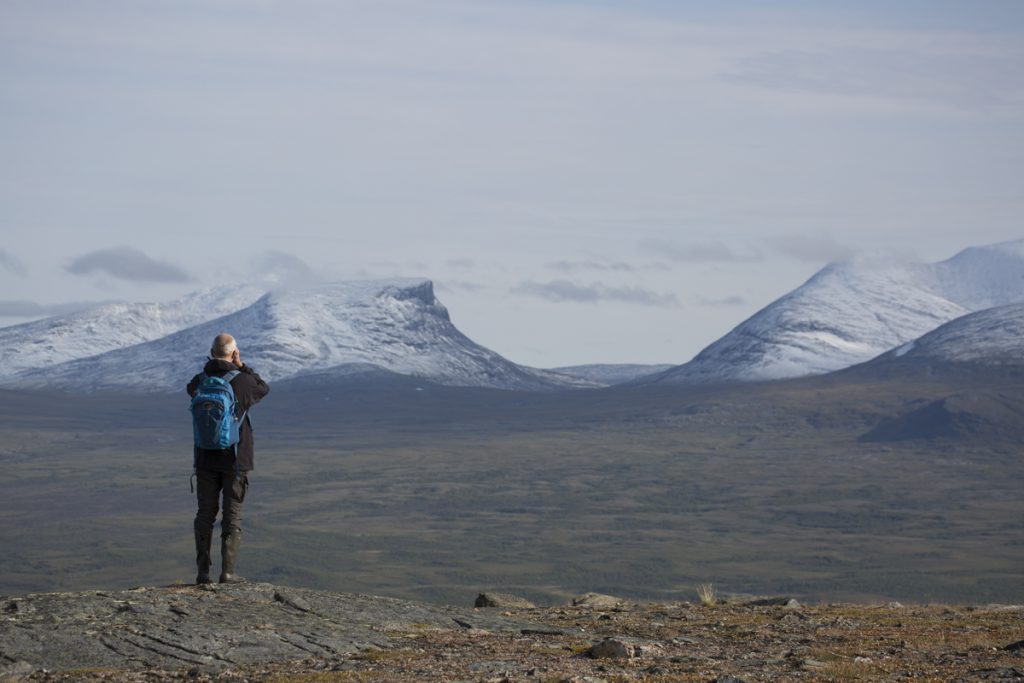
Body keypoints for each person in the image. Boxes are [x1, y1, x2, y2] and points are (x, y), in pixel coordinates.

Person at [187, 333, 270, 584]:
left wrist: (212, 366)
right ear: (233, 353)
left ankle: (203, 572)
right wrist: (242, 365)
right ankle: (228, 572)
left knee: (205, 513)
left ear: (212, 352)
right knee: (231, 513)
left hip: (204, 458)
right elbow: (263, 388)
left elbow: (191, 389)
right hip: (235, 459)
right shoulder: (244, 382)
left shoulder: (199, 382)